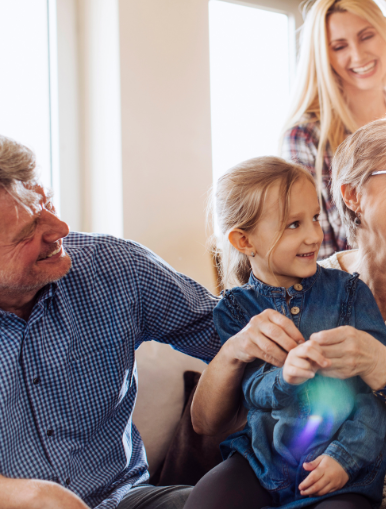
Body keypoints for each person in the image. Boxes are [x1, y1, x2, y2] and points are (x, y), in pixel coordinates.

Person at [193, 115, 386, 509]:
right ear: (353, 195)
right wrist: (235, 350)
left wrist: (379, 364)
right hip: (330, 491)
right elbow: (208, 424)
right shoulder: (305, 281)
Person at [0, 135, 222, 509]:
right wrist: (27, 495)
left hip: (123, 499)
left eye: (49, 203)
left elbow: (230, 334)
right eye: (29, 231)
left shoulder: (114, 267)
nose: (60, 228)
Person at [185, 157, 386, 509]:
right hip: (262, 463)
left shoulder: (349, 294)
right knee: (206, 499)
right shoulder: (235, 309)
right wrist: (286, 376)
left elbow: (378, 391)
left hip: (340, 468)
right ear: (243, 240)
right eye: (293, 224)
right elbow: (251, 390)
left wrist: (346, 457)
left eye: (314, 218)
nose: (314, 235)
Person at [281, 0, 386, 259]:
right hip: (346, 282)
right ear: (325, 56)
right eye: (340, 46)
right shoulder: (307, 135)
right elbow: (315, 250)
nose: (358, 56)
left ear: (385, 33)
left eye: (366, 36)